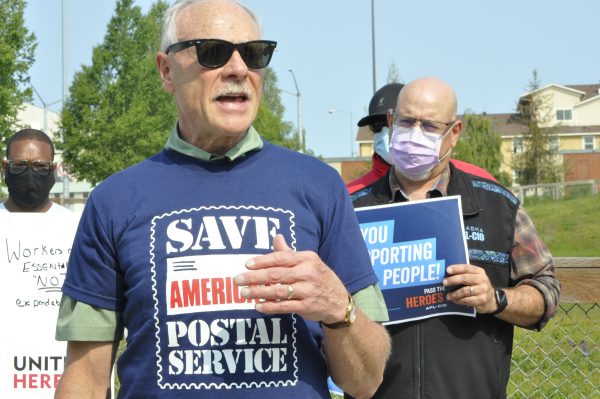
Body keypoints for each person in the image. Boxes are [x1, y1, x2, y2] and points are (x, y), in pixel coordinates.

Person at [54, 1, 390, 398]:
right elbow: (86, 382)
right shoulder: (114, 201)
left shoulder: (319, 186)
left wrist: (339, 309)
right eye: (213, 52)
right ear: (166, 70)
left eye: (253, 53)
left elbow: (367, 381)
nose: (238, 69)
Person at [352, 77, 560, 399]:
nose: (415, 134)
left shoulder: (497, 207)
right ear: (391, 122)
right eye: (407, 122)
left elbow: (545, 292)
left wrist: (495, 299)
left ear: (455, 133)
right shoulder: (353, 210)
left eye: (430, 126)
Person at [348, 83, 497, 195]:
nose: (386, 130)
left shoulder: (478, 182)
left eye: (427, 125)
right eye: (377, 125)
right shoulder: (350, 197)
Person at [1, 128, 70, 214]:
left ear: (53, 168)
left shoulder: (75, 224)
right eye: (20, 165)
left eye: (40, 165)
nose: (29, 175)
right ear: (5, 167)